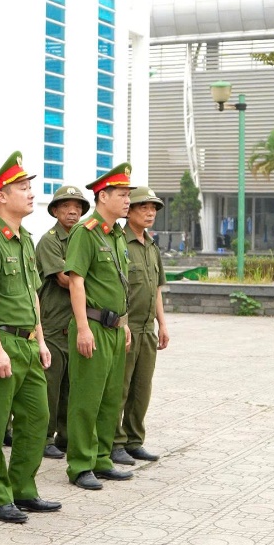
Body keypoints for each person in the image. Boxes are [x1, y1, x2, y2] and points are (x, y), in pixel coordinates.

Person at [0, 153, 62, 523]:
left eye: (29, 187)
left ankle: (23, 487)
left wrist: (40, 340)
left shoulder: (24, 240)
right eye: (22, 187)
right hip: (2, 341)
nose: (30, 193)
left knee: (38, 417)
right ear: (1, 197)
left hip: (27, 343)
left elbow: (33, 295)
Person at [64, 164, 134, 491]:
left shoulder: (116, 235)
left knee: (109, 398)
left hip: (115, 327)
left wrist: (125, 323)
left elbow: (120, 284)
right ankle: (80, 464)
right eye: (122, 194)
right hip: (92, 324)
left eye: (129, 194)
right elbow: (76, 281)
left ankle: (102, 458)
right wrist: (82, 328)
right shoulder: (86, 231)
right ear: (103, 196)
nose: (128, 200)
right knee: (86, 399)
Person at [113, 186, 169, 465]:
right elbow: (117, 288)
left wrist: (163, 324)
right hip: (126, 327)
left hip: (147, 329)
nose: (150, 213)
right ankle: (115, 442)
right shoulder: (119, 243)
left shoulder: (151, 246)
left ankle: (134, 440)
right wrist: (122, 323)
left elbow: (156, 288)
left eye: (153, 209)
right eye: (143, 207)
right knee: (119, 389)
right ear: (129, 211)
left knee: (141, 388)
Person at [35, 184, 87, 460]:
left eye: (77, 207)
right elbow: (65, 279)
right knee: (50, 385)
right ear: (55, 211)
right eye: (66, 206)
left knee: (71, 385)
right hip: (53, 323)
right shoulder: (50, 240)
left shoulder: (83, 238)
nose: (72, 211)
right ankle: (43, 437)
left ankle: (65, 437)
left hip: (76, 323)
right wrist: (95, 282)